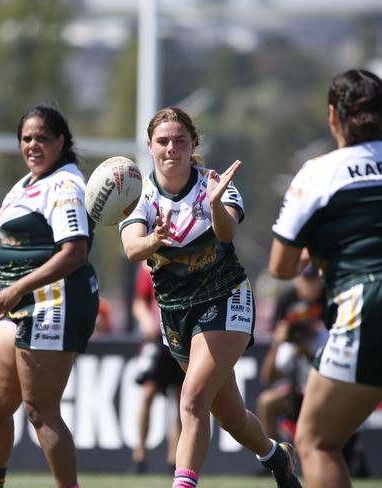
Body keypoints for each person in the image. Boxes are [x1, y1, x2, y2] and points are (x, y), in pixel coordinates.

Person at [119, 106, 302, 488]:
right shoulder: (140, 195)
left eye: (180, 141)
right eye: (163, 141)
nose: (172, 149)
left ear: (194, 144)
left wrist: (216, 203)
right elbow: (132, 248)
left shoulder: (214, 184)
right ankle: (276, 456)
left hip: (225, 298)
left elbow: (227, 234)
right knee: (230, 416)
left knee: (191, 401)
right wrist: (155, 238)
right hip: (176, 314)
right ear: (149, 147)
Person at [269, 68, 382, 488]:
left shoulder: (320, 173)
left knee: (316, 442)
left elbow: (280, 267)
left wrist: (315, 246)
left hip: (366, 300)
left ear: (333, 118)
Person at [0, 105, 99, 488]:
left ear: (60, 141)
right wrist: (9, 285)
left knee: (39, 411)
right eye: (26, 138)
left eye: (42, 138)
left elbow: (74, 252)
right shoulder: (26, 184)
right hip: (19, 306)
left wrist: (17, 287)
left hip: (53, 304)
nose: (33, 144)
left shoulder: (65, 185)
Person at [257, 265, 327, 442]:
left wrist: (308, 347)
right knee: (267, 401)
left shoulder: (323, 335)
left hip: (324, 393)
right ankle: (274, 459)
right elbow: (267, 377)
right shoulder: (289, 344)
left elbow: (327, 370)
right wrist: (277, 344)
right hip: (297, 393)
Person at [131, 261, 183, 474]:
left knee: (182, 400)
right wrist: (146, 322)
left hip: (181, 337)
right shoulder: (149, 265)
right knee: (148, 393)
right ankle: (140, 454)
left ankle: (175, 458)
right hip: (156, 340)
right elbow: (139, 302)